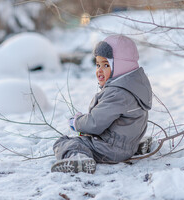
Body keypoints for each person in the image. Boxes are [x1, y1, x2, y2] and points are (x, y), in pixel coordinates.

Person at [51, 35, 152, 174]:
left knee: (66, 142)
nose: (99, 70)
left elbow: (94, 123)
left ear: (121, 66)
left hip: (111, 149)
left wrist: (77, 122)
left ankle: (78, 159)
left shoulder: (117, 93)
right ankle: (136, 146)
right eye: (98, 64)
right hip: (128, 143)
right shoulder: (134, 86)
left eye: (106, 65)